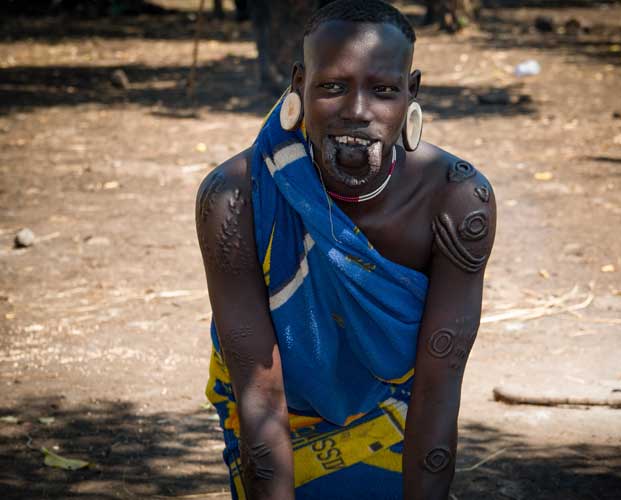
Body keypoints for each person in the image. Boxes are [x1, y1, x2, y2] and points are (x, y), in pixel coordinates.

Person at [195, 1, 496, 498]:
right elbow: (259, 394)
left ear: (411, 93)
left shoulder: (455, 201)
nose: (358, 111)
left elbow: (439, 389)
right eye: (333, 86)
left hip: (402, 410)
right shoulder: (236, 197)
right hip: (279, 416)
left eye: (383, 91)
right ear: (299, 86)